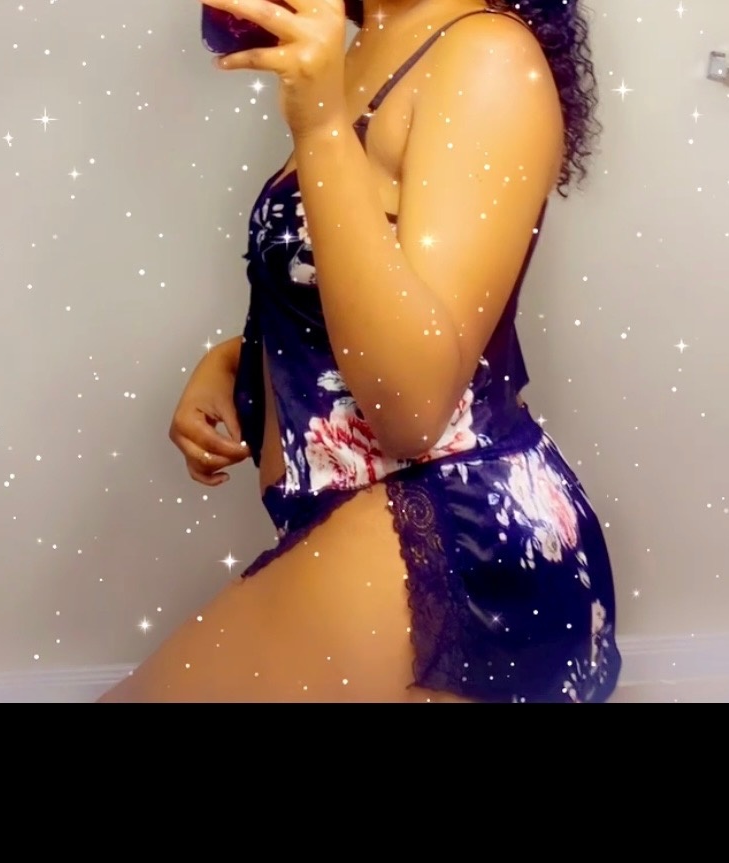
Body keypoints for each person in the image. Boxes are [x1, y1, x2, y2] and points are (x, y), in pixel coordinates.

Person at [98, 0, 622, 703]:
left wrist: (319, 127)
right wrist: (239, 359)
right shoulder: (372, 39)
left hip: (458, 544)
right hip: (363, 523)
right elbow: (358, 288)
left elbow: (415, 408)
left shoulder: (486, 57)